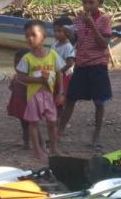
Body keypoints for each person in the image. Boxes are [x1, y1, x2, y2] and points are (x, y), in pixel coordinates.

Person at [58, 0, 113, 149]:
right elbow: (78, 42)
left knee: (99, 102)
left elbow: (103, 44)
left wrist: (92, 25)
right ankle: (58, 133)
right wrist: (70, 36)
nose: (87, 6)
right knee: (70, 99)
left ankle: (96, 136)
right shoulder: (78, 20)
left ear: (99, 2)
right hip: (81, 65)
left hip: (98, 66)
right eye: (84, 3)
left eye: (91, 2)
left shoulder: (105, 20)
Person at [16, 20, 65, 162]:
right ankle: (37, 150)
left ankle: (54, 148)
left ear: (43, 36)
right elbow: (20, 77)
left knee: (52, 122)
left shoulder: (53, 55)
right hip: (34, 96)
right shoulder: (27, 58)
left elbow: (59, 73)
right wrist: (38, 81)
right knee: (33, 123)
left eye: (33, 35)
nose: (30, 38)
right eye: (27, 36)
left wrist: (60, 91)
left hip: (48, 95)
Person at [7, 49, 30, 149]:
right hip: (19, 102)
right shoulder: (16, 76)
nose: (16, 66)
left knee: (31, 124)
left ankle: (35, 143)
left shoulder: (30, 78)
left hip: (27, 103)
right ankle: (26, 142)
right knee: (24, 123)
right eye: (15, 63)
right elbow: (12, 87)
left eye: (20, 63)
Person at [51, 16, 75, 114]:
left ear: (68, 32)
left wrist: (60, 71)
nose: (57, 33)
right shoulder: (55, 44)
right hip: (54, 74)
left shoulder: (68, 46)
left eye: (60, 31)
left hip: (64, 76)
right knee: (53, 94)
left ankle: (59, 118)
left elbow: (70, 63)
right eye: (55, 31)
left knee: (60, 98)